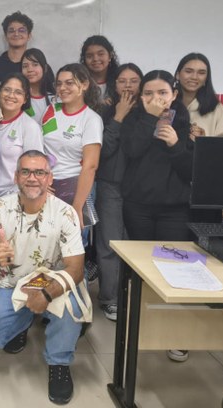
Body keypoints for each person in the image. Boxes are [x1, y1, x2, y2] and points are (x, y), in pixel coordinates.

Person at [0, 150, 86, 406]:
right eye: (26, 171)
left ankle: (58, 362)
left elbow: (76, 269)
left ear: (50, 178)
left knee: (72, 306)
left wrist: (45, 294)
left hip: (52, 281)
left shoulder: (65, 213)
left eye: (40, 172)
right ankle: (23, 321)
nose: (32, 178)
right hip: (10, 283)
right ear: (16, 176)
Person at [94, 63, 143, 321]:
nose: (127, 86)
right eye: (122, 81)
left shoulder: (149, 111)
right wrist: (118, 117)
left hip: (140, 189)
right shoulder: (104, 112)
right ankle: (110, 298)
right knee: (110, 243)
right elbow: (102, 151)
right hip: (110, 185)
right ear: (115, 84)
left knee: (136, 244)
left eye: (133, 81)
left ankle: (135, 296)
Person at [120, 70, 193, 242]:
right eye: (148, 93)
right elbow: (132, 150)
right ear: (141, 96)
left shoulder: (184, 123)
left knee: (172, 259)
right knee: (140, 260)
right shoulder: (132, 119)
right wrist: (150, 117)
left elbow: (190, 171)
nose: (155, 99)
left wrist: (175, 145)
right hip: (137, 206)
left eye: (162, 93)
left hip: (175, 209)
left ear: (174, 95)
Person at [42, 64, 103, 236]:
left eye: (69, 83)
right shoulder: (52, 110)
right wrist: (41, 182)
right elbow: (41, 149)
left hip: (75, 187)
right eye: (59, 83)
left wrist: (77, 206)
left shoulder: (91, 119)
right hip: (48, 186)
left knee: (72, 246)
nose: (62, 88)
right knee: (46, 243)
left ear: (84, 85)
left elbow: (90, 166)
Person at [0, 74, 44, 197]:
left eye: (18, 92)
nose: (11, 96)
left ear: (25, 98)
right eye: (7, 90)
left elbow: (35, 166)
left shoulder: (29, 127)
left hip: (14, 195)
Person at [175, 53, 223, 141]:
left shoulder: (216, 108)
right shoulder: (166, 104)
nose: (194, 77)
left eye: (201, 73)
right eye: (188, 71)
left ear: (206, 79)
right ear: (178, 75)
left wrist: (204, 140)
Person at [79, 35, 120, 103]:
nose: (95, 59)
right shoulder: (78, 82)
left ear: (110, 56)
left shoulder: (119, 80)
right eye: (89, 56)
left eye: (100, 54)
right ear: (84, 59)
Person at [21, 48, 56, 124]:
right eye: (25, 66)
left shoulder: (55, 99)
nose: (30, 69)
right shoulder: (18, 98)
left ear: (45, 68)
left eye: (35, 65)